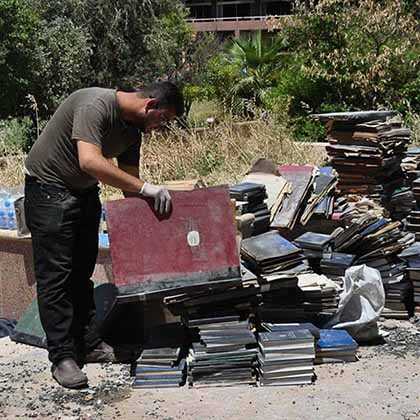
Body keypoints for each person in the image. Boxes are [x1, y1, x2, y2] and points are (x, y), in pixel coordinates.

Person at [24, 81, 184, 389]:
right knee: (55, 277)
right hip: (48, 191)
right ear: (150, 106)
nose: (159, 128)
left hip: (83, 193)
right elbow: (90, 161)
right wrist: (145, 188)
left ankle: (89, 344)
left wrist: (161, 217)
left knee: (81, 274)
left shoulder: (133, 132)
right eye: (161, 119)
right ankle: (62, 357)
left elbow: (129, 185)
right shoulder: (93, 104)